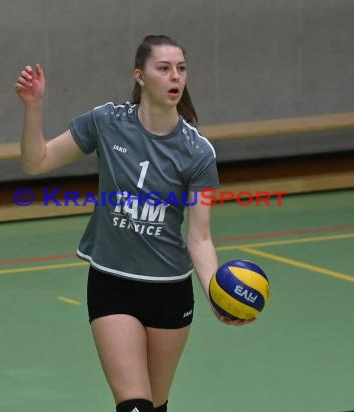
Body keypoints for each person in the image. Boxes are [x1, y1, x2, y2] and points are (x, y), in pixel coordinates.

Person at [15, 34, 254, 412]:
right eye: (164, 68)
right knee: (134, 405)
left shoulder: (197, 152)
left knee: (156, 405)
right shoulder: (107, 123)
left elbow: (200, 237)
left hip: (169, 290)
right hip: (112, 283)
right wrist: (34, 107)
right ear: (140, 76)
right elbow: (37, 161)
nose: (175, 77)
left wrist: (215, 294)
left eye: (181, 68)